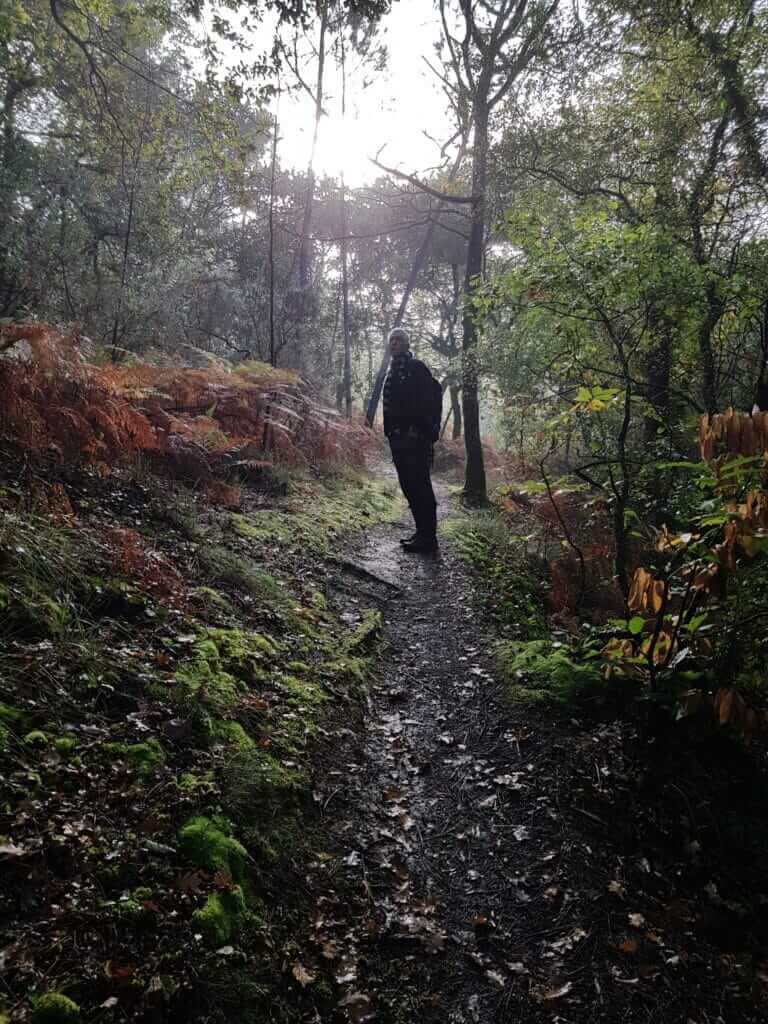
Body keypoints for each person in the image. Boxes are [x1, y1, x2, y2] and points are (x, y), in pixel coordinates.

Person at [382, 327, 438, 554]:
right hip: (397, 440)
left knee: (421, 485)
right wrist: (391, 434)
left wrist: (417, 430)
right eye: (391, 340)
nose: (394, 343)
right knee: (408, 486)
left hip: (416, 440)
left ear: (406, 344)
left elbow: (427, 401)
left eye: (398, 340)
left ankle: (429, 538)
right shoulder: (392, 371)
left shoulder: (417, 368)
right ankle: (421, 532)